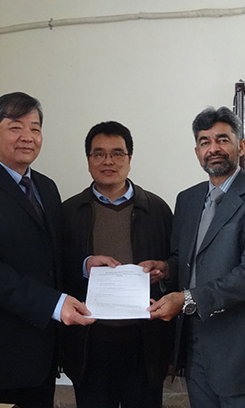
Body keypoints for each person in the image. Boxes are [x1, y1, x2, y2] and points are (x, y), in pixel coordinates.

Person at [0, 92, 94, 408]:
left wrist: (85, 264)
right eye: (15, 127)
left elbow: (50, 253)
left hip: (40, 355)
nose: (28, 137)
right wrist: (53, 303)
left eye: (35, 128)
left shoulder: (46, 187)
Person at [145, 107, 245, 408]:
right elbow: (182, 258)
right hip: (196, 346)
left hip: (244, 352)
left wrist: (185, 299)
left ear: (240, 145)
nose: (213, 149)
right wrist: (166, 270)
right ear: (197, 151)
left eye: (222, 139)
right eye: (204, 141)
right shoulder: (188, 199)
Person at [61, 121, 174, 408]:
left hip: (144, 342)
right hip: (89, 343)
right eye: (98, 154)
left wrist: (164, 269)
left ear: (130, 160)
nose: (108, 161)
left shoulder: (157, 209)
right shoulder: (68, 212)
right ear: (88, 161)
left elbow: (177, 260)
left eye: (117, 153)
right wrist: (84, 265)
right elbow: (55, 266)